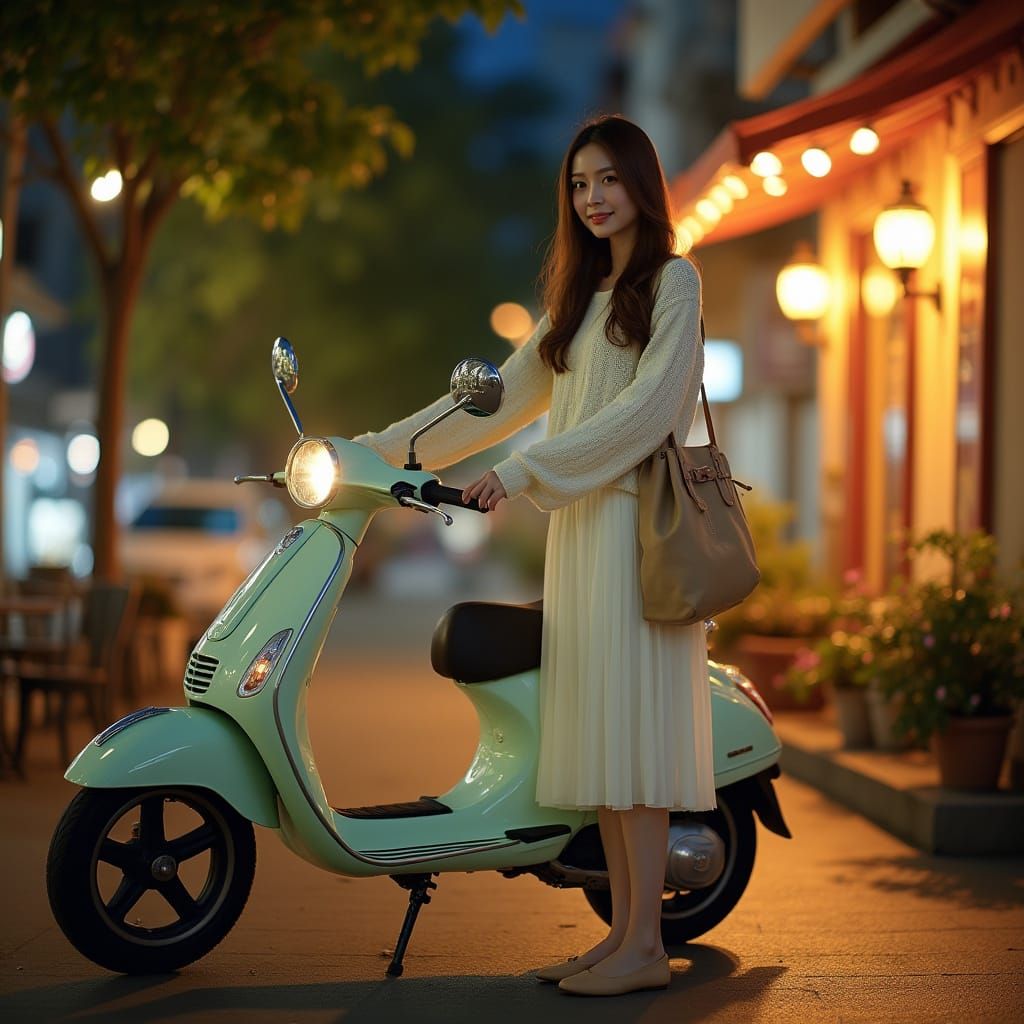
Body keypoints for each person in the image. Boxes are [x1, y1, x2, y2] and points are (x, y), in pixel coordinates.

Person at [353, 114, 715, 997]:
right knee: (602, 741)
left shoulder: (676, 283)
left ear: (642, 184)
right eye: (580, 184)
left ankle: (643, 945)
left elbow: (646, 416)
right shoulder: (578, 301)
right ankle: (625, 939)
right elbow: (492, 402)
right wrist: (369, 452)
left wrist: (521, 473)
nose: (593, 198)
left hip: (638, 539)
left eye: (609, 180)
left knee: (636, 742)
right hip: (582, 538)